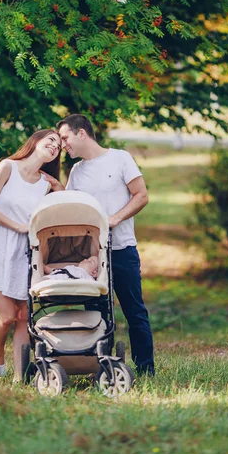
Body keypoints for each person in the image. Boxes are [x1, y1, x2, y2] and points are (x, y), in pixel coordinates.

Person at [44, 114, 155, 376]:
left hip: (121, 249)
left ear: (82, 133)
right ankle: (99, 367)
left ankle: (145, 369)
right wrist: (59, 188)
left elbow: (142, 195)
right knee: (95, 314)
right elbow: (73, 209)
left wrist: (115, 218)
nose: (62, 145)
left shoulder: (120, 158)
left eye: (65, 138)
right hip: (91, 257)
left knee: (134, 311)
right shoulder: (77, 171)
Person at [0, 129, 61, 380]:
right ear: (36, 141)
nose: (54, 146)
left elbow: (58, 216)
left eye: (59, 146)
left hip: (24, 251)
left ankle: (19, 376)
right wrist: (18, 226)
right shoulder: (7, 166)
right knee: (7, 316)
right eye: (50, 140)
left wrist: (59, 188)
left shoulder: (45, 184)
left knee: (23, 317)